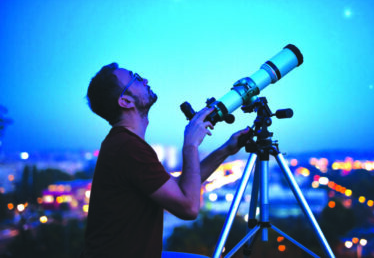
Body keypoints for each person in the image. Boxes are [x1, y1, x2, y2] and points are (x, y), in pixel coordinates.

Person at [81, 62, 249, 258]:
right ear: (125, 101)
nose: (144, 80)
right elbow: (189, 207)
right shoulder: (128, 148)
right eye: (135, 78)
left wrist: (225, 150)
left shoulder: (124, 144)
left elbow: (179, 187)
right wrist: (191, 144)